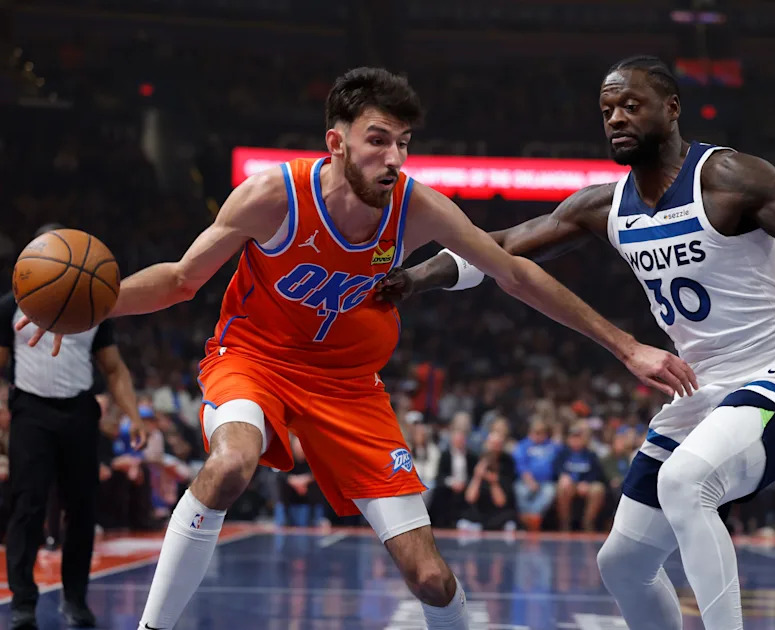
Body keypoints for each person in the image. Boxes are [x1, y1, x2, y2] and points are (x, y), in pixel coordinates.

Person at [20, 67, 692, 630]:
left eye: (403, 142)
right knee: (230, 465)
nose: (394, 158)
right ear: (335, 143)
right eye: (378, 141)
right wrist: (95, 305)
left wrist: (625, 344)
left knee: (430, 580)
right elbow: (179, 281)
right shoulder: (270, 195)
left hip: (350, 388)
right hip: (254, 360)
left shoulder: (418, 207)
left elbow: (513, 272)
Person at [374, 55, 775, 629]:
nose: (617, 118)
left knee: (686, 483)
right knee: (623, 563)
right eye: (608, 109)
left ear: (671, 109)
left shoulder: (727, 179)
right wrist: (415, 277)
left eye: (632, 104)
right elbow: (498, 246)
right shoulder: (605, 206)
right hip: (700, 391)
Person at [1, 224, 146, 630]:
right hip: (30, 411)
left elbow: (113, 368)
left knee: (82, 509)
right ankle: (23, 601)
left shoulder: (94, 306)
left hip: (80, 412)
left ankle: (75, 599)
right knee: (27, 506)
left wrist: (133, 416)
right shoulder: (8, 306)